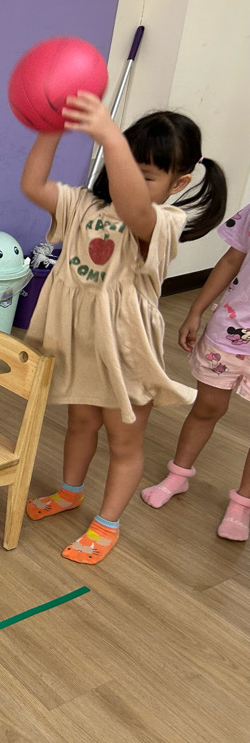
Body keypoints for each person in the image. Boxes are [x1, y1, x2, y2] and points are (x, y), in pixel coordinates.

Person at [19, 93, 227, 564]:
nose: (122, 177)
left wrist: (111, 139)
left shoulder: (163, 221)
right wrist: (50, 126)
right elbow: (32, 184)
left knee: (124, 439)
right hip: (80, 343)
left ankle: (108, 523)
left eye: (142, 174)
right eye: (120, 165)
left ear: (179, 183)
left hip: (126, 352)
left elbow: (135, 212)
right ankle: (70, 492)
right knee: (80, 423)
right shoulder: (83, 206)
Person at [141, 204, 250, 540]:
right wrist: (196, 310)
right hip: (228, 334)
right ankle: (178, 475)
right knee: (206, 408)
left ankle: (242, 504)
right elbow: (231, 261)